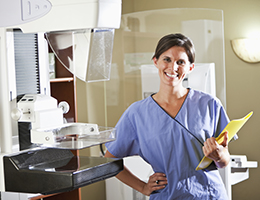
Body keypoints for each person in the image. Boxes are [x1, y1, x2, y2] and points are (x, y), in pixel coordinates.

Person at [105, 33, 231, 199]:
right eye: (167, 59)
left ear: (190, 67)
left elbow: (224, 161)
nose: (173, 68)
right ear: (155, 61)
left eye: (181, 62)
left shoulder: (209, 104)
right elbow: (109, 160)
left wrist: (220, 155)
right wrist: (142, 186)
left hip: (209, 195)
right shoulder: (137, 114)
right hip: (167, 196)